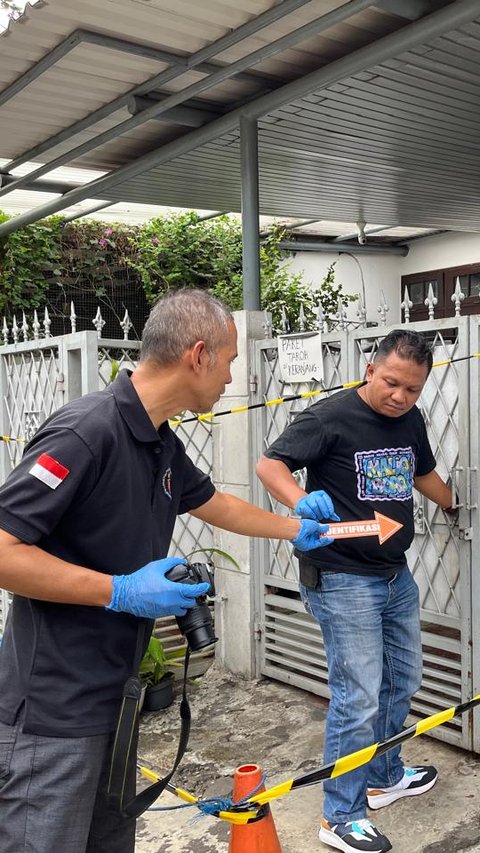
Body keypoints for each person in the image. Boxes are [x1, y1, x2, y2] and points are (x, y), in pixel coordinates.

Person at [0, 288, 334, 853]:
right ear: (198, 355)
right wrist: (120, 590)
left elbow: (214, 503)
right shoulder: (87, 433)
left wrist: (296, 524)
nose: (231, 378)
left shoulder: (156, 439)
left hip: (116, 698)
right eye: (229, 361)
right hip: (54, 712)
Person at [256, 329, 455, 853]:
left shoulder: (409, 420)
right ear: (370, 369)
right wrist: (300, 499)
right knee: (358, 695)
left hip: (395, 574)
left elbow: (424, 474)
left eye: (412, 389)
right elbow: (269, 464)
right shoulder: (329, 417)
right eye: (391, 383)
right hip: (342, 578)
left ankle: (383, 775)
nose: (400, 397)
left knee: (404, 677)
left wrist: (457, 503)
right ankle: (339, 815)